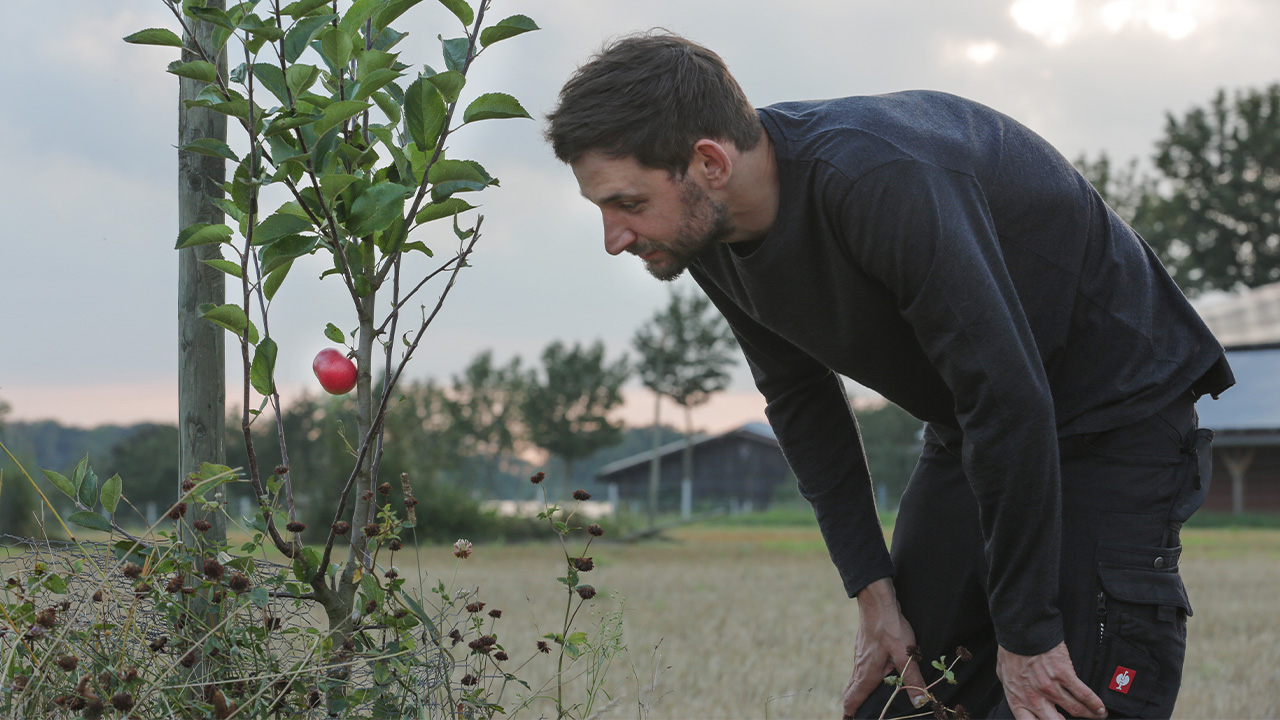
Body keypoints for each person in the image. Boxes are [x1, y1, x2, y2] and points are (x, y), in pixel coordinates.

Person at [545, 31, 1234, 720]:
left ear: (708, 162)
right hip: (975, 423)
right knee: (905, 691)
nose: (614, 237)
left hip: (1116, 416)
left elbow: (1009, 395)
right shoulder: (708, 233)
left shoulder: (877, 178)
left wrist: (1026, 637)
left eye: (627, 203)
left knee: (1059, 697)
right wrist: (874, 597)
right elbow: (798, 396)